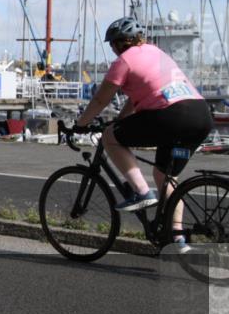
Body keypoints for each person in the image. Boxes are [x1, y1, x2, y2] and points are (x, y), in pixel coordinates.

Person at [75, 17, 214, 224]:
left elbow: (100, 100)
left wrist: (80, 124)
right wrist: (120, 120)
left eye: (112, 44)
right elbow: (137, 97)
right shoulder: (157, 52)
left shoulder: (123, 61)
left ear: (118, 43)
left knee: (109, 137)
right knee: (165, 178)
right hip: (200, 116)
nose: (112, 49)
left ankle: (142, 192)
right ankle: (176, 235)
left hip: (171, 115)